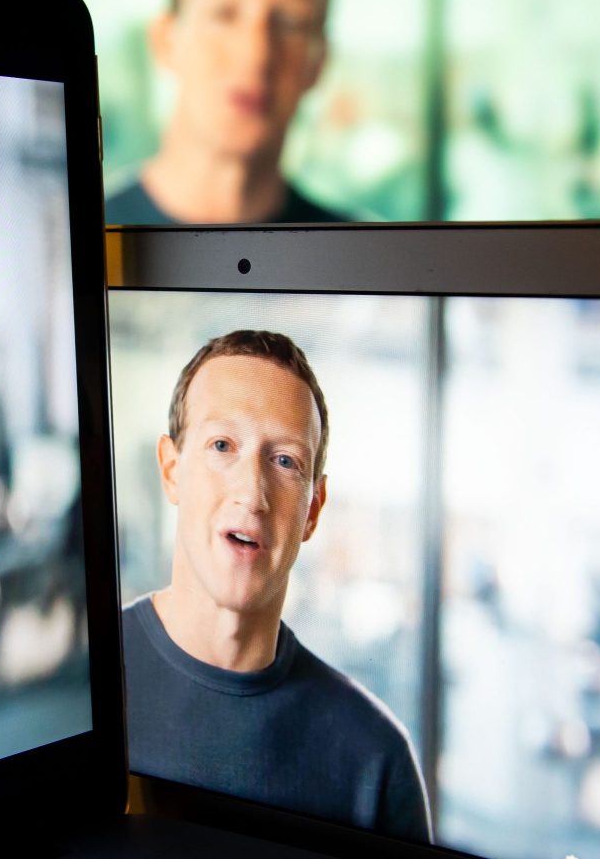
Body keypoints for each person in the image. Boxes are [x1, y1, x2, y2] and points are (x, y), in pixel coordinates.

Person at [123, 330, 430, 842]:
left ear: (312, 509)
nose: (252, 493)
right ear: (172, 471)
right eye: (222, 445)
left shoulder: (376, 759)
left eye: (285, 461)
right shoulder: (82, 688)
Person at [106, 0, 350, 226]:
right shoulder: (78, 246)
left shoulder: (360, 263)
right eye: (224, 14)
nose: (256, 54)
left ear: (319, 62)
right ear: (165, 41)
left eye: (290, 23)